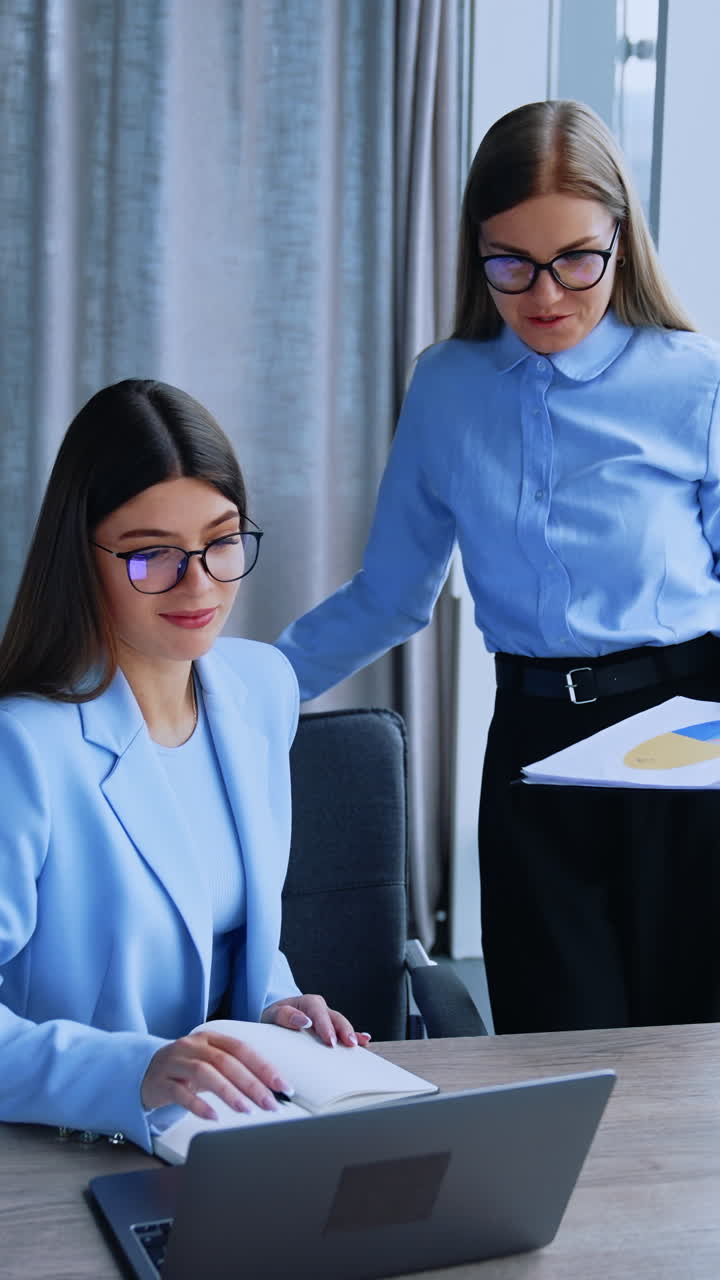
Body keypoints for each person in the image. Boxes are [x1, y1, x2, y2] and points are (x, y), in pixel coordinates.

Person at [276, 99, 720, 1035]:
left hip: (688, 745)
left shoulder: (695, 380)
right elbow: (391, 596)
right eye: (511, 263)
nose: (546, 294)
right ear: (475, 252)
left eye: (576, 261)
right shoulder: (447, 385)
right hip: (535, 749)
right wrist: (242, 692)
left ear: (622, 241)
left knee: (691, 1055)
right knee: (556, 1051)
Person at [0, 379, 368, 1152]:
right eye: (150, 556)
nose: (198, 582)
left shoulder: (259, 687)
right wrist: (133, 1071)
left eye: (222, 540)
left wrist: (275, 1004)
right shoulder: (25, 747)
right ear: (83, 557)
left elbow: (230, 932)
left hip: (227, 1134)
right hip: (62, 1149)